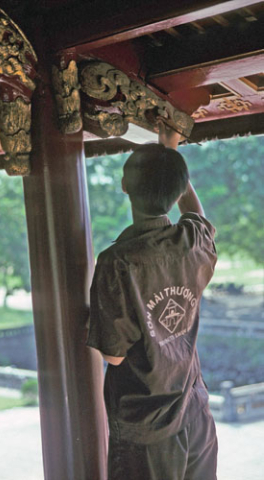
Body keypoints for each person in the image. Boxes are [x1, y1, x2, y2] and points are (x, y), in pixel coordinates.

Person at [87, 120, 218, 480]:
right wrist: (171, 154)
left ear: (124, 185)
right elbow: (200, 219)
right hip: (194, 411)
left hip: (148, 429)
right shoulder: (190, 244)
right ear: (177, 194)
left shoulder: (117, 262)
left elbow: (114, 354)